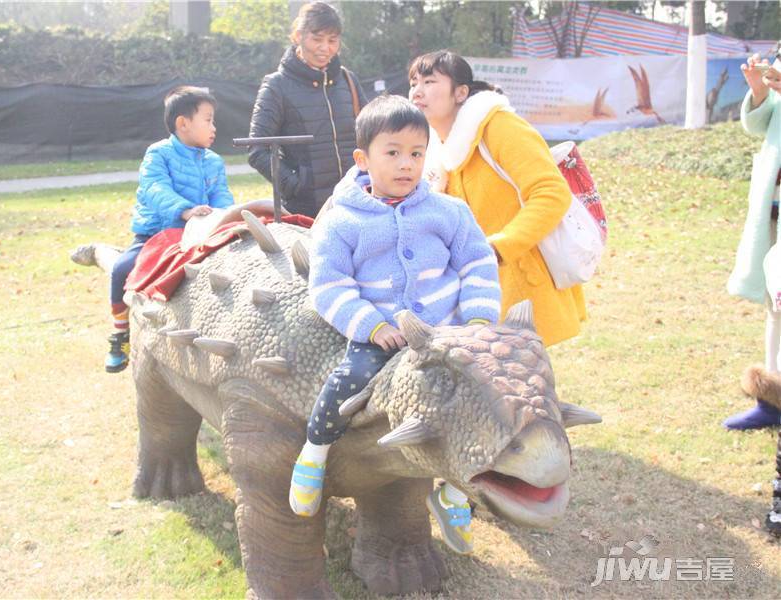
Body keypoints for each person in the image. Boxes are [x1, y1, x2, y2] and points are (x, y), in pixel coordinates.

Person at [287, 95, 502, 556]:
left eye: (417, 153)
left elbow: (478, 264)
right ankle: (315, 451)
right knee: (349, 380)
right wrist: (369, 325)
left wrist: (479, 318)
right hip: (384, 336)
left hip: (448, 331)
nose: (407, 164)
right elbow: (328, 286)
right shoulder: (342, 221)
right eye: (393, 152)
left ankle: (456, 491)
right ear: (363, 159)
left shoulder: (449, 212)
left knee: (478, 402)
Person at [408, 50, 585, 348]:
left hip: (519, 287)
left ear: (461, 92)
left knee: (523, 384)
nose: (417, 91)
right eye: (413, 82)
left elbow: (551, 192)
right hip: (469, 292)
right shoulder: (433, 146)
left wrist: (499, 248)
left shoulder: (499, 126)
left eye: (429, 81)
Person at [104, 86, 233, 373]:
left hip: (200, 234)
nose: (214, 127)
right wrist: (184, 210)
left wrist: (225, 216)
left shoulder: (213, 161)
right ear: (182, 124)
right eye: (208, 120)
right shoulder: (158, 154)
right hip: (158, 234)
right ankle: (119, 332)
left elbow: (221, 196)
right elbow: (154, 188)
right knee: (122, 268)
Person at [247, 1, 367, 218]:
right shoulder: (276, 86)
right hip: (306, 210)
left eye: (332, 40)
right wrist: (295, 185)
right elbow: (258, 150)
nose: (325, 47)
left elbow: (372, 134)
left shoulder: (348, 80)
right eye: (317, 39)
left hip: (356, 201)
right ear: (297, 36)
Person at [723, 50, 781, 429]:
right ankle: (774, 399)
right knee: (776, 300)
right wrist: (760, 91)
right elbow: (763, 125)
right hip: (774, 204)